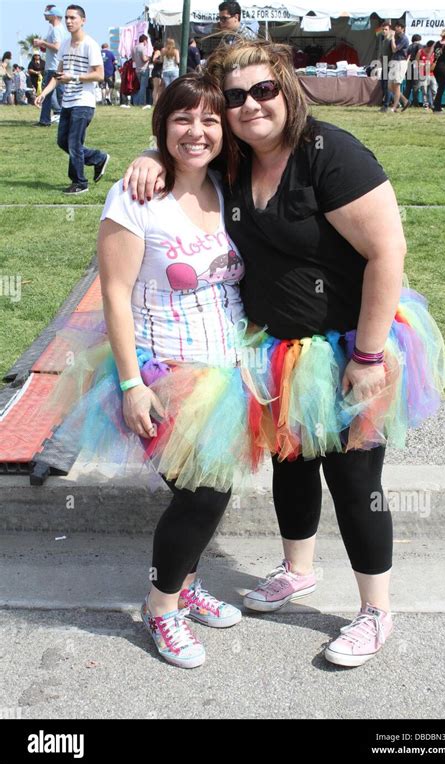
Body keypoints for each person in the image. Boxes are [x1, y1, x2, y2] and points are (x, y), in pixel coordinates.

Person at [123, 40, 445, 668]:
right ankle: (298, 569)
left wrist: (368, 357)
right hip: (275, 352)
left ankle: (375, 611)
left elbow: (388, 253)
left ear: (288, 89)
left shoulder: (332, 154)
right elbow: (188, 146)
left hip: (350, 345)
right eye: (235, 96)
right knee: (292, 466)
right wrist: (150, 155)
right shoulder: (237, 160)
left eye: (264, 90)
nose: (251, 105)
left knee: (355, 480)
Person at [36, 72, 261, 669]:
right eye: (182, 118)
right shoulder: (135, 198)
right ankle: (161, 608)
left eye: (209, 119)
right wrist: (133, 384)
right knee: (201, 497)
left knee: (212, 491)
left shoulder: (227, 186)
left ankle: (184, 584)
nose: (197, 131)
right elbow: (113, 293)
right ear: (162, 125)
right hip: (163, 375)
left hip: (229, 373)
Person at [35, 4, 110, 195]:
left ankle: (79, 183)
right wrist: (44, 93)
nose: (69, 21)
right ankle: (98, 158)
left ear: (83, 21)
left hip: (83, 102)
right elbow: (58, 75)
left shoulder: (90, 45)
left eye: (73, 18)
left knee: (74, 143)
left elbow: (99, 75)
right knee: (63, 141)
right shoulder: (65, 45)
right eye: (67, 18)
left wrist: (74, 78)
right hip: (67, 101)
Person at [34, 5, 67, 126]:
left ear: (54, 16)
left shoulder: (56, 30)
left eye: (48, 14)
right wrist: (43, 45)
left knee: (47, 95)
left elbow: (57, 47)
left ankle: (45, 120)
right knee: (61, 94)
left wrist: (42, 42)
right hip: (57, 65)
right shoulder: (60, 29)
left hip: (53, 66)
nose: (45, 16)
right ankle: (62, 117)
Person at [388, 21, 410, 112]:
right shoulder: (398, 38)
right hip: (394, 61)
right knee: (390, 86)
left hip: (400, 62)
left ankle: (395, 106)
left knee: (396, 85)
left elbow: (394, 49)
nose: (396, 28)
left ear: (402, 28)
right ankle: (405, 101)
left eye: (398, 27)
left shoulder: (404, 38)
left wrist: (392, 38)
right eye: (396, 26)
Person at [432, 29, 445, 112]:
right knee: (441, 87)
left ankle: (436, 105)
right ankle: (436, 106)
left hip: (435, 67)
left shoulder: (436, 43)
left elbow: (430, 55)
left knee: (440, 86)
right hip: (443, 67)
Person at [376, 21, 393, 112]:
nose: (384, 31)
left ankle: (386, 105)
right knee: (383, 85)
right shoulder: (383, 40)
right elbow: (382, 53)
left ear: (389, 30)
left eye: (386, 29)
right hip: (384, 64)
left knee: (387, 86)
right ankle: (398, 101)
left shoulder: (391, 40)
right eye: (383, 29)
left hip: (390, 64)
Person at [416, 40, 437, 109]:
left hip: (432, 74)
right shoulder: (420, 52)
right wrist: (423, 66)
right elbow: (416, 62)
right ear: (428, 47)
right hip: (423, 74)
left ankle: (435, 104)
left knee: (434, 90)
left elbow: (435, 62)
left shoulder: (434, 53)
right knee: (424, 90)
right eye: (432, 47)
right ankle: (426, 104)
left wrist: (431, 67)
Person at [404, 34, 422, 106]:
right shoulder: (419, 46)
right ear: (419, 39)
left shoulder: (409, 47)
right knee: (415, 86)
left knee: (408, 86)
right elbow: (420, 54)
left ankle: (404, 101)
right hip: (415, 66)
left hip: (408, 66)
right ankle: (415, 102)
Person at [131, 33, 150, 106]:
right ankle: (141, 102)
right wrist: (149, 58)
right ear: (145, 40)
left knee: (140, 86)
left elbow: (133, 59)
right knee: (143, 87)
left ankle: (137, 102)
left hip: (137, 69)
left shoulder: (134, 48)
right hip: (144, 68)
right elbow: (144, 59)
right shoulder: (143, 48)